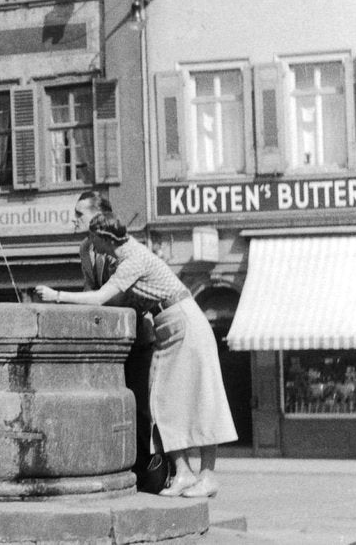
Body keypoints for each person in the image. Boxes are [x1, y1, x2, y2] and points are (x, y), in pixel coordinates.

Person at [36, 213, 237, 498]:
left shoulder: (133, 260)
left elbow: (100, 297)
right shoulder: (125, 258)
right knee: (162, 402)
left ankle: (207, 476)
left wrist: (56, 296)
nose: (89, 243)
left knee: (202, 397)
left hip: (184, 322)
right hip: (169, 325)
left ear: (104, 239)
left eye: (92, 238)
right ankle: (183, 473)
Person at [72, 191, 160, 493]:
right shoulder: (85, 248)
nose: (74, 220)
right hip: (107, 339)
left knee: (139, 406)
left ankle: (144, 470)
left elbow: (119, 295)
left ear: (99, 215)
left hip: (137, 338)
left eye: (80, 214)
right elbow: (89, 286)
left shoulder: (119, 246)